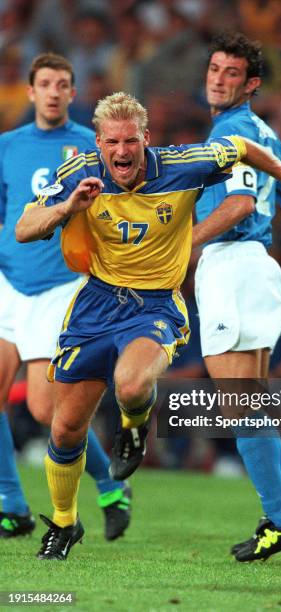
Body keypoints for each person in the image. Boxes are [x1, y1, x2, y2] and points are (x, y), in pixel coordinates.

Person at [15, 91, 281, 560]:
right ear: (98, 143)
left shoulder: (184, 163)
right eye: (111, 143)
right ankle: (64, 524)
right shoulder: (79, 173)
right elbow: (25, 227)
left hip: (156, 305)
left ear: (145, 138)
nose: (121, 152)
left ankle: (135, 423)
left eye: (130, 141)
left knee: (131, 383)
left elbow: (243, 149)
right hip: (95, 305)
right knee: (64, 430)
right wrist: (68, 209)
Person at [191, 32, 281, 563]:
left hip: (232, 265)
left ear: (251, 84)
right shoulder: (263, 132)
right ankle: (279, 518)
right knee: (251, 402)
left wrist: (183, 246)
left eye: (231, 73)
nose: (217, 78)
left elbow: (236, 206)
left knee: (239, 404)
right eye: (213, 68)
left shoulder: (233, 129)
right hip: (259, 269)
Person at [0, 53, 131, 542]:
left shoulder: (92, 148)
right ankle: (12, 506)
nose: (54, 91)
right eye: (45, 84)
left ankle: (110, 487)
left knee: (44, 411)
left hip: (60, 288)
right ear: (30, 91)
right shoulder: (6, 147)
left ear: (73, 94)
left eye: (63, 84)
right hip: (9, 282)